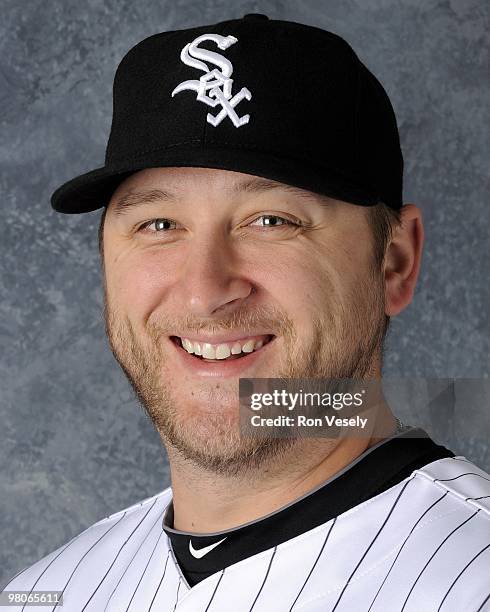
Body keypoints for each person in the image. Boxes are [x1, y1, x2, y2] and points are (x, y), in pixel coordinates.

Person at [3, 14, 489, 612]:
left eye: (272, 221)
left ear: (395, 262)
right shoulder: (42, 594)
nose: (205, 291)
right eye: (159, 224)